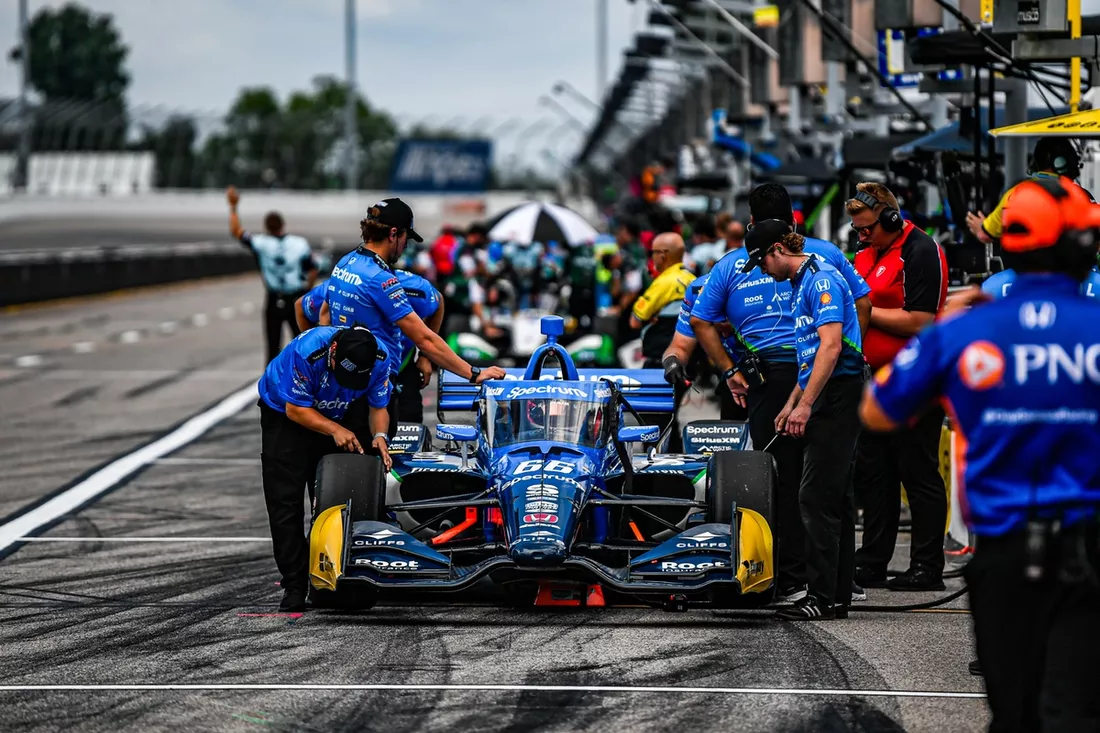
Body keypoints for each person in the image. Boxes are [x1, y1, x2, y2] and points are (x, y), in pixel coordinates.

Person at [860, 175, 1100, 730]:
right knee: (1076, 710)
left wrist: (942, 333)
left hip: (1003, 551)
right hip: (1088, 544)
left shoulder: (968, 328)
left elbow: (877, 410)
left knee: (1012, 714)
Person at [691, 183, 871, 602]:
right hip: (812, 372)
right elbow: (862, 303)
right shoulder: (826, 254)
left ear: (755, 225)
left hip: (787, 374)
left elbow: (700, 320)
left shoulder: (739, 263)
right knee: (832, 482)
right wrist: (854, 349)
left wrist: (731, 371)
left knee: (787, 481)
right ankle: (839, 579)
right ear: (793, 220)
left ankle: (796, 580)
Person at [740, 220, 865, 620]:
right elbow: (811, 358)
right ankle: (835, 597)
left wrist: (806, 404)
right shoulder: (801, 282)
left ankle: (821, 598)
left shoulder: (821, 280)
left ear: (778, 249)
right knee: (832, 497)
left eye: (762, 262)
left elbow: (831, 347)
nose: (762, 271)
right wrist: (792, 401)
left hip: (839, 393)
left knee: (816, 496)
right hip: (826, 390)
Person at [324, 198, 505, 436]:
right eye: (406, 238)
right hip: (374, 388)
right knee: (378, 454)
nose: (405, 247)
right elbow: (425, 339)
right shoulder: (382, 279)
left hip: (342, 381)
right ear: (393, 234)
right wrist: (475, 373)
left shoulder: (345, 262)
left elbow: (324, 313)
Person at [847, 182, 950, 591]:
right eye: (857, 229)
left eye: (867, 228)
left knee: (917, 470)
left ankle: (927, 566)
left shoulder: (921, 250)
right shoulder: (864, 254)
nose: (862, 236)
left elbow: (922, 320)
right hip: (873, 380)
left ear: (890, 218)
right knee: (875, 473)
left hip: (915, 379)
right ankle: (872, 560)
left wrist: (866, 311)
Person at [257, 325, 392, 612]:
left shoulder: (380, 357)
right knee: (286, 501)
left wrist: (380, 436)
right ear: (333, 352)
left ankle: (331, 578)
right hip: (286, 416)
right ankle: (294, 584)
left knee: (340, 499)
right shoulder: (308, 351)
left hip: (339, 410)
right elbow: (295, 409)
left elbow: (378, 406)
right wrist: (334, 430)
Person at [296, 270, 443, 424]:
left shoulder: (413, 287)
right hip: (354, 370)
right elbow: (301, 306)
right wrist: (320, 350)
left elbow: (438, 302)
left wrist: (425, 357)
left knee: (410, 423)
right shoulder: (344, 284)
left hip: (401, 366)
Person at [227, 186, 318, 363]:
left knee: (273, 349)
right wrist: (307, 289)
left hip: (274, 298)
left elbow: (236, 232)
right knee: (303, 347)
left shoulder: (260, 243)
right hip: (296, 298)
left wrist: (233, 207)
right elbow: (313, 269)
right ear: (283, 225)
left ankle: (271, 380)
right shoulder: (299, 244)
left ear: (266, 227)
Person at [631, 232, 696, 451]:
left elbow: (635, 320)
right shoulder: (693, 280)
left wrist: (653, 317)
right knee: (671, 415)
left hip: (660, 362)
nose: (652, 258)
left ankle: (654, 463)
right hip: (688, 360)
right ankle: (674, 457)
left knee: (653, 417)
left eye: (653, 253)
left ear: (663, 255)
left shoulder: (663, 282)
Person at [966, 136, 1092, 244]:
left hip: (1027, 264)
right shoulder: (1082, 196)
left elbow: (987, 234)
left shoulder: (1017, 193)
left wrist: (980, 228)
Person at [662, 270, 747, 421]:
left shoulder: (759, 288)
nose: (724, 332)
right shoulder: (696, 292)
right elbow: (680, 346)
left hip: (774, 369)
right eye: (715, 327)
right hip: (732, 377)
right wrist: (672, 361)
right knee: (730, 431)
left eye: (729, 326)